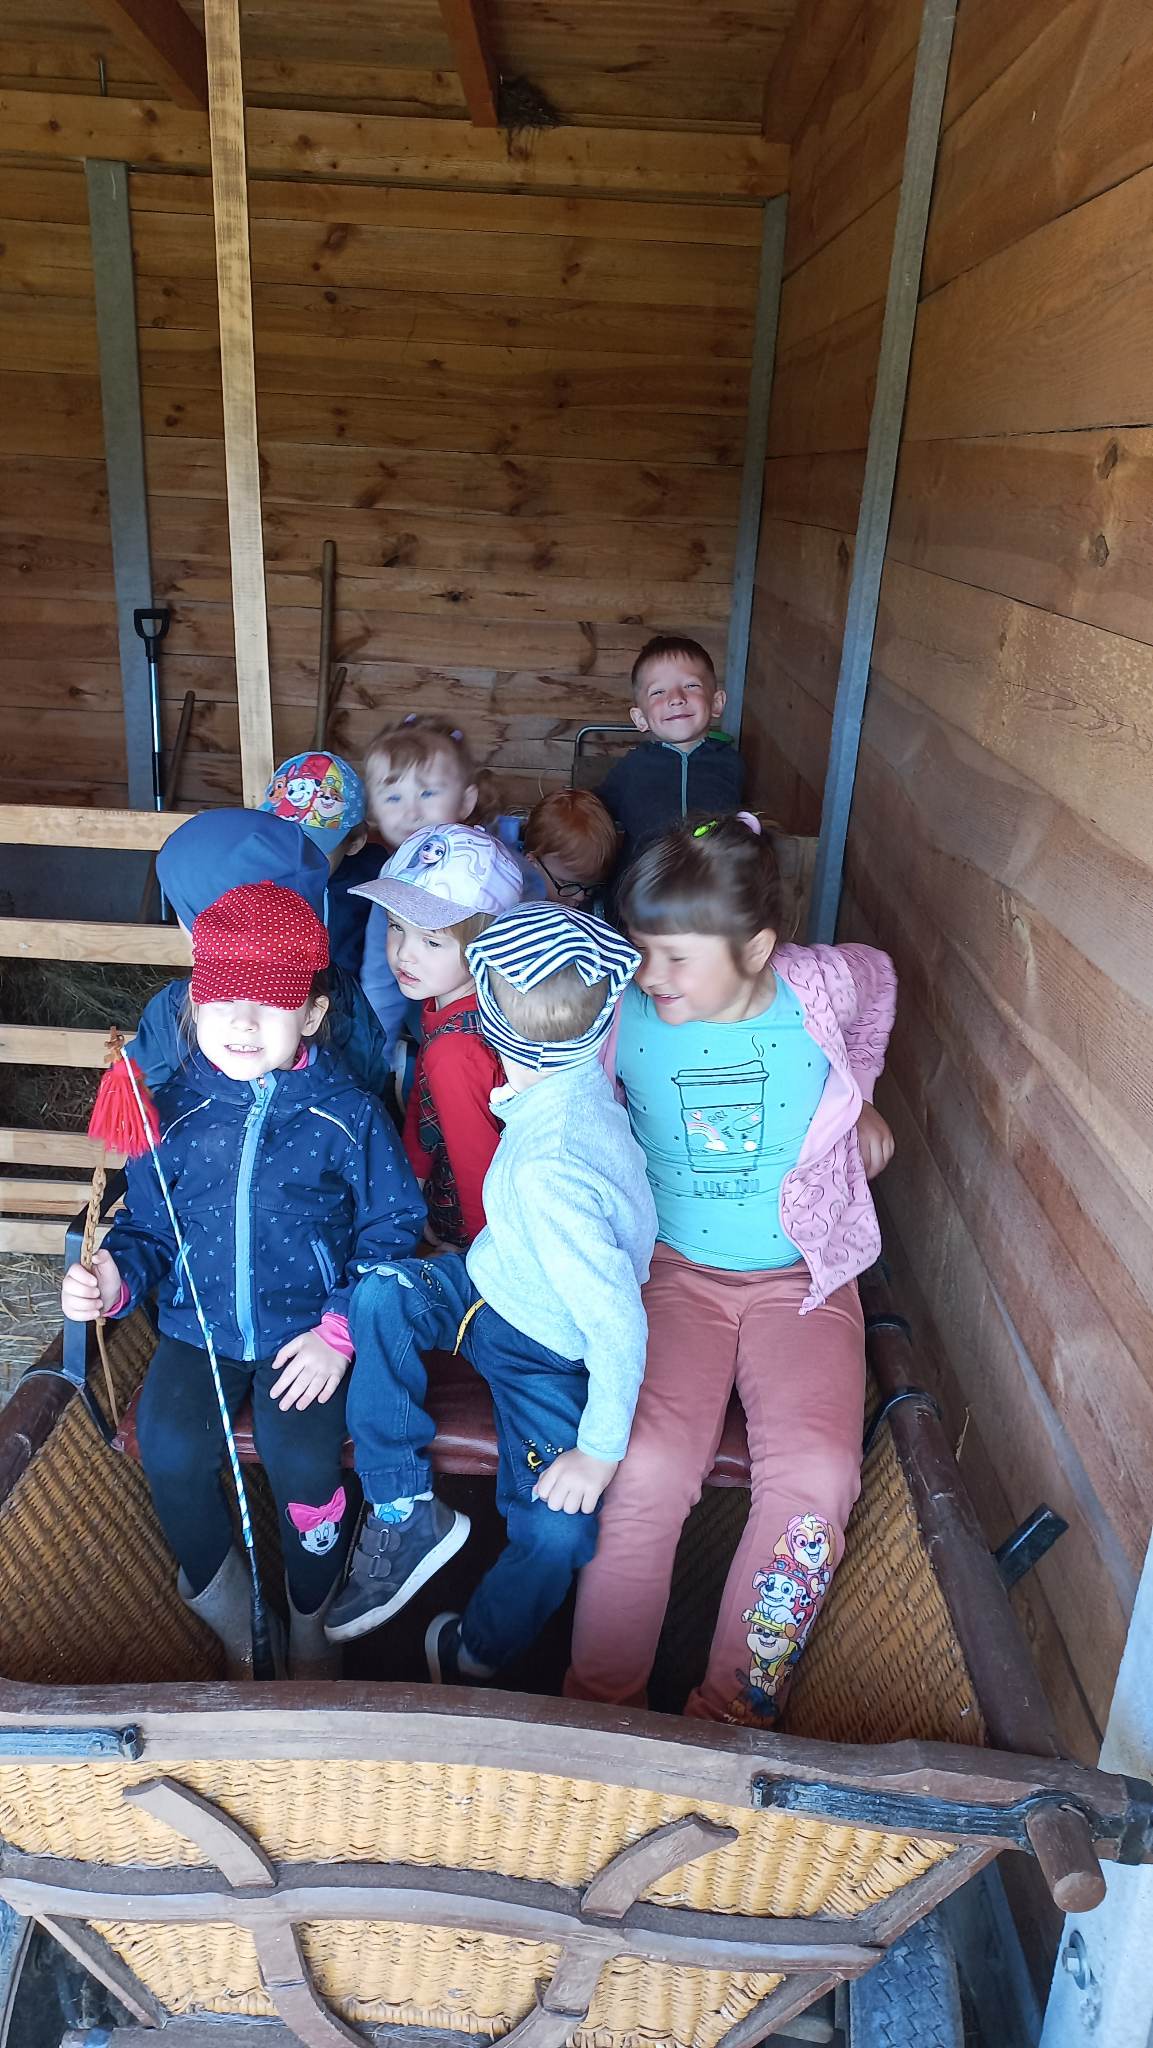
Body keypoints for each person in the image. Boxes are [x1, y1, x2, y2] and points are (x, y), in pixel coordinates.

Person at [565, 814, 897, 1726]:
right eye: (640, 948)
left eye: (676, 957)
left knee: (818, 1476)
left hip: (803, 1276)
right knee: (645, 1467)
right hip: (671, 1269)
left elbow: (880, 981)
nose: (650, 973)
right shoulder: (619, 1011)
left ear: (756, 950)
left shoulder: (819, 986)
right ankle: (601, 1709)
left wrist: (858, 1097)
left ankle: (730, 1713)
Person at [61, 883, 425, 1679]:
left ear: (313, 1015)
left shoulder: (348, 1115)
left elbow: (392, 1228)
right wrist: (113, 1278)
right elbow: (150, 1230)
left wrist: (339, 1330)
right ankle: (231, 1613)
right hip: (199, 1329)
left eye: (270, 1003)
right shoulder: (172, 1112)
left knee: (305, 1466)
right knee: (168, 1447)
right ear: (195, 1004)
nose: (241, 1023)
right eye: (221, 1001)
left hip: (309, 1337)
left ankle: (314, 1620)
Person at [324, 902, 657, 1686]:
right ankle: (406, 1506)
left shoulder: (551, 1169)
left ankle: (477, 1647)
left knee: (558, 1530)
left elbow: (617, 1324)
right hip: (487, 1284)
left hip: (546, 1351)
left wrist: (597, 1453)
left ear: (490, 1022)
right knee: (380, 1292)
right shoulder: (572, 1084)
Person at [128, 809, 391, 1100]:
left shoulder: (175, 1008)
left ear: (204, 923)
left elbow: (140, 1097)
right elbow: (369, 1081)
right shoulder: (338, 991)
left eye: (182, 911)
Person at [349, 824, 524, 1250]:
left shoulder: (456, 1049)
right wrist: (412, 1183)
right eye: (395, 926)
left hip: (478, 1224)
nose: (403, 953)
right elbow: (424, 1102)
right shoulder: (454, 1001)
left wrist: (482, 1256)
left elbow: (475, 1161)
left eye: (431, 941)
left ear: (486, 945)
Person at [359, 716, 498, 1048]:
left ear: (466, 801)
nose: (412, 812)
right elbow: (380, 979)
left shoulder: (493, 868)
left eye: (428, 792)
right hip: (435, 1032)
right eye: (393, 798)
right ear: (373, 808)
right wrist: (376, 1055)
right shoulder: (391, 881)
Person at [598, 635, 744, 872]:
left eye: (691, 685)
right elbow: (596, 809)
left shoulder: (731, 764)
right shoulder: (632, 768)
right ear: (640, 718)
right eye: (658, 692)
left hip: (713, 885)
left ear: (716, 703)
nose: (676, 698)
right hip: (645, 886)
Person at [258, 749, 381, 978]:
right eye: (282, 839)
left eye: (313, 845)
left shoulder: (371, 883)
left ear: (354, 844)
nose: (296, 855)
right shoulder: (255, 877)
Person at [521, 788, 619, 911]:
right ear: (532, 863)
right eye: (567, 884)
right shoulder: (511, 900)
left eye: (590, 886)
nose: (580, 897)